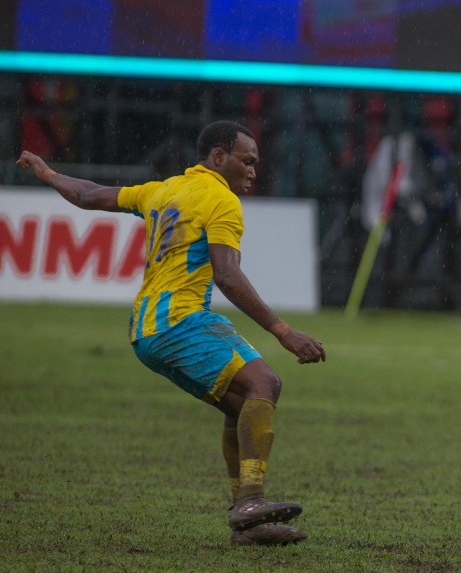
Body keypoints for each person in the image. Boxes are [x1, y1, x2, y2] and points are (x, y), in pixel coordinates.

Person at [17, 121, 325, 546]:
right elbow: (228, 276)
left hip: (146, 329)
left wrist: (47, 173)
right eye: (247, 160)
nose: (253, 170)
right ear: (219, 157)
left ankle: (250, 525)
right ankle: (251, 500)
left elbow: (88, 195)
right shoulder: (221, 200)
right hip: (180, 321)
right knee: (264, 383)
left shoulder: (161, 190)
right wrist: (282, 330)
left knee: (242, 404)